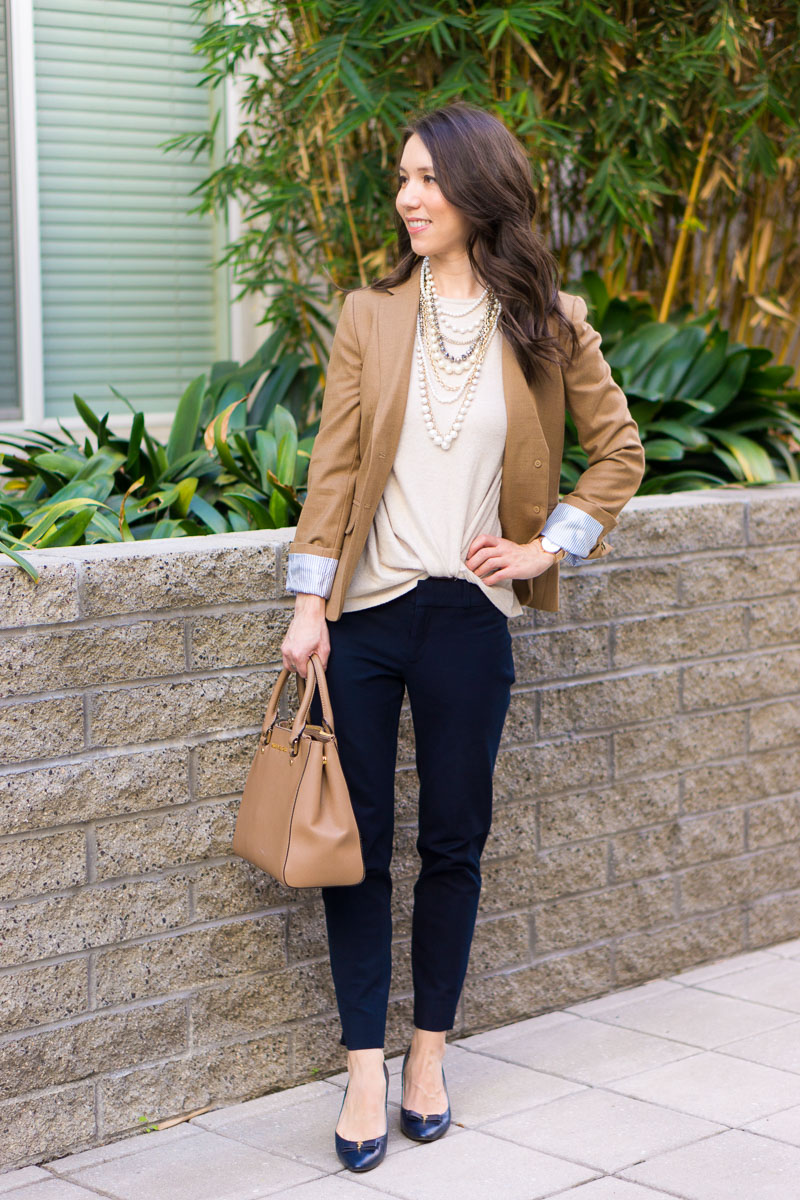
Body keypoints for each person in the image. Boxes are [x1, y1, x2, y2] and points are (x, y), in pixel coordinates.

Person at [280, 101, 645, 1172]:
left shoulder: (547, 319)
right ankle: (361, 1071)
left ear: (479, 191)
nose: (406, 198)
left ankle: (428, 1056)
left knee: (453, 843)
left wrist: (546, 551)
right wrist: (309, 607)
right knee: (358, 854)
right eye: (401, 178)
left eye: (428, 180)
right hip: (367, 619)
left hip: (469, 621)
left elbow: (618, 453)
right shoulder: (367, 315)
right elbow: (334, 471)